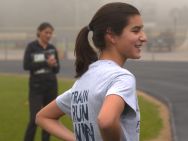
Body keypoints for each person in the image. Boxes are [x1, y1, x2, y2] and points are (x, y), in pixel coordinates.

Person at [35, 2, 147, 141]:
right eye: (136, 30)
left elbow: (43, 117)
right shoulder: (121, 78)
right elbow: (106, 121)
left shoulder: (82, 81)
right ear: (111, 35)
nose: (144, 37)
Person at [23, 22, 60, 141]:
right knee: (34, 118)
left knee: (48, 119)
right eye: (46, 32)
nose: (49, 35)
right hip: (36, 87)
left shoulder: (52, 48)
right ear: (39, 32)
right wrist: (46, 62)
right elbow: (26, 65)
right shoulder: (31, 47)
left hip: (51, 86)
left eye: (50, 33)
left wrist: (54, 65)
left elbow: (57, 69)